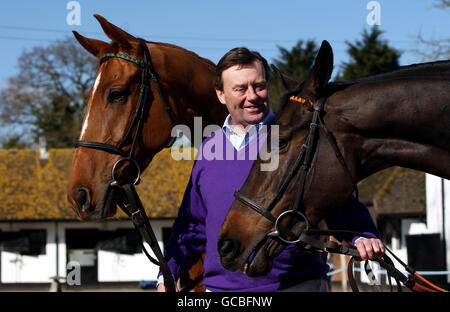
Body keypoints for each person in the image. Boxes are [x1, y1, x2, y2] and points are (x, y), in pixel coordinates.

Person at [157, 47, 385, 292]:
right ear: (221, 95)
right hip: (221, 291)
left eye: (259, 86)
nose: (252, 96)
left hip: (296, 285)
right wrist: (167, 275)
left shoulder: (296, 140)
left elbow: (336, 199)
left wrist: (361, 235)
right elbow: (192, 225)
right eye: (240, 89)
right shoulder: (207, 151)